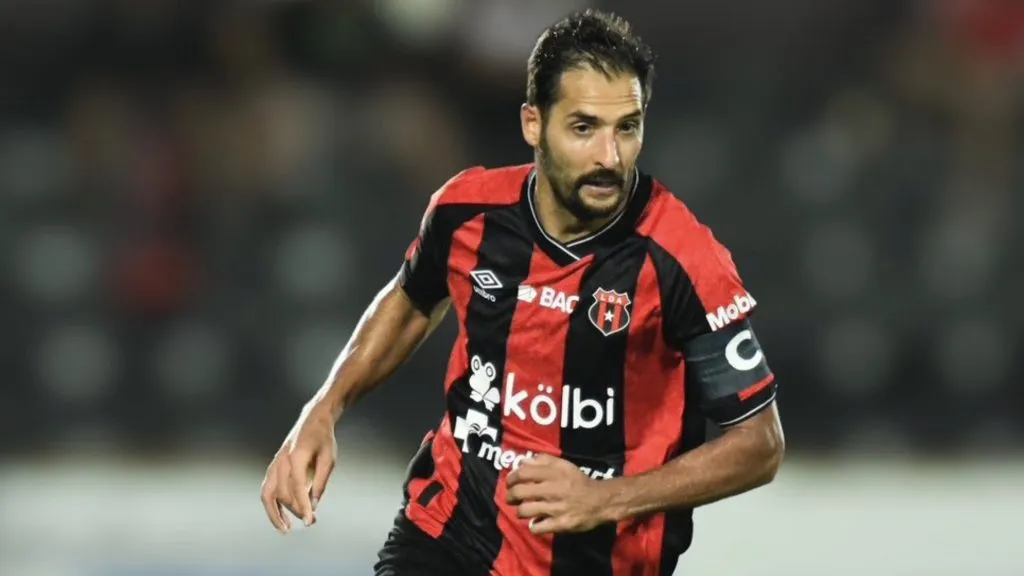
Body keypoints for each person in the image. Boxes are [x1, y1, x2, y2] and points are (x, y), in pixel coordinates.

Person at [260, 8, 785, 575]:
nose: (609, 157)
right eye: (584, 128)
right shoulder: (468, 211)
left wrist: (603, 499)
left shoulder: (683, 259)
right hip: (447, 536)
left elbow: (760, 442)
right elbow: (412, 299)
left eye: (626, 127)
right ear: (533, 123)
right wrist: (324, 408)